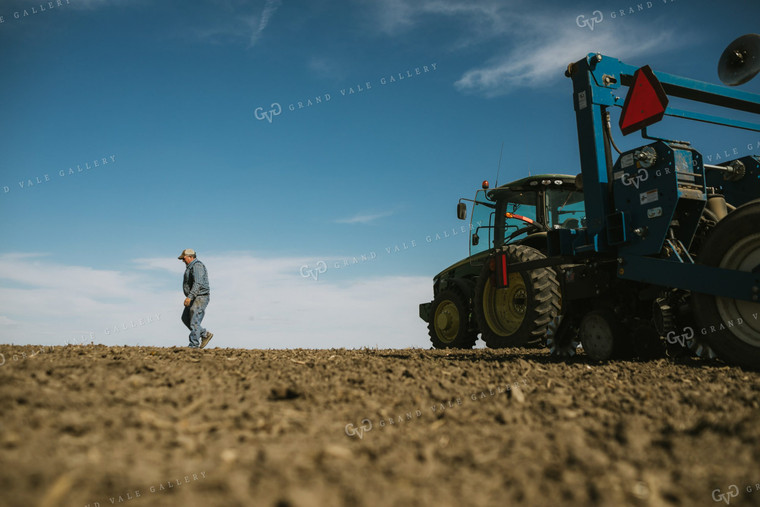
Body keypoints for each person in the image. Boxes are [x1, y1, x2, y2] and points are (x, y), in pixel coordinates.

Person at [178, 248, 213, 349]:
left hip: (200, 297)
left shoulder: (197, 266)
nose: (182, 261)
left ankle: (193, 346)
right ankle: (205, 334)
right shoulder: (190, 267)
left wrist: (190, 296)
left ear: (190, 257)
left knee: (194, 321)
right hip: (194, 297)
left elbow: (198, 283)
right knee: (185, 318)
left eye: (184, 258)